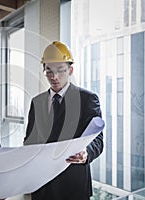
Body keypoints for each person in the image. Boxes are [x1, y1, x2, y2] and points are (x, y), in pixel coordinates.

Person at [24, 41, 103, 200]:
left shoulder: (87, 99)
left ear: (70, 70)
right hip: (42, 185)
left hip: (72, 185)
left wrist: (86, 153)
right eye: (49, 71)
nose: (54, 77)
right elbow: (30, 141)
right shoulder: (37, 102)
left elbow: (98, 139)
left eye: (60, 70)